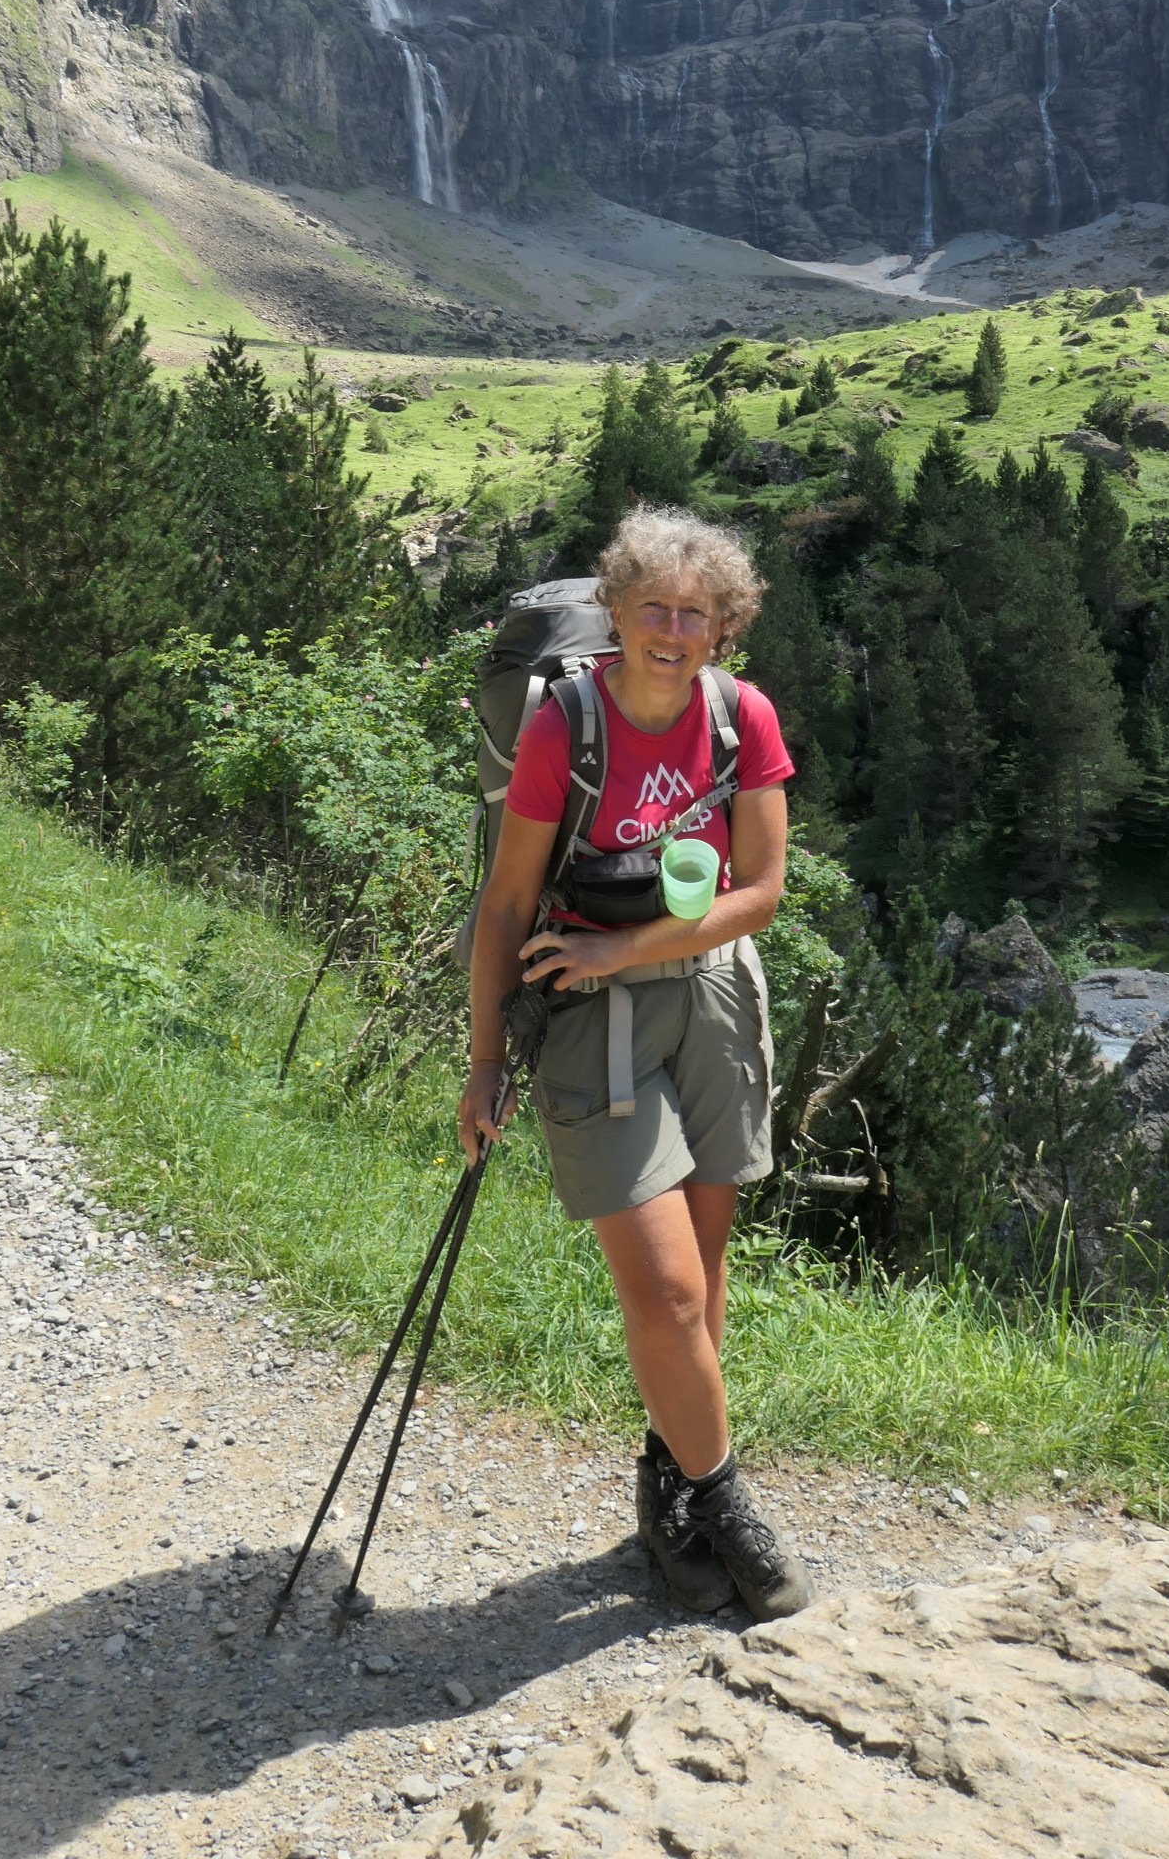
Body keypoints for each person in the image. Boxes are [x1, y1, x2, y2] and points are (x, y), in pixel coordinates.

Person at [458, 505, 812, 1621]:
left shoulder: (739, 716)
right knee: (661, 1288)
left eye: (694, 613)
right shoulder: (566, 726)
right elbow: (509, 900)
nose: (672, 628)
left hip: (708, 999)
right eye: (652, 607)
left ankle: (666, 1490)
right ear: (614, 611)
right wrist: (482, 1061)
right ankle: (724, 1500)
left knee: (700, 1291)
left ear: (724, 626)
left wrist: (634, 943)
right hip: (588, 1017)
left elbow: (762, 891)